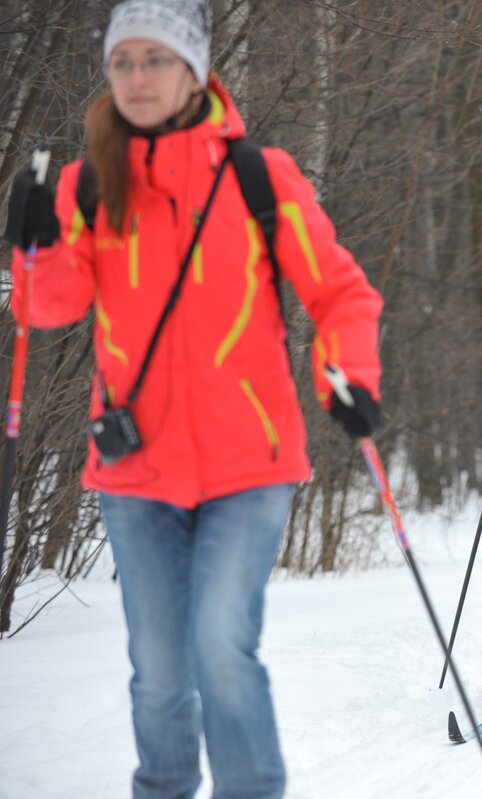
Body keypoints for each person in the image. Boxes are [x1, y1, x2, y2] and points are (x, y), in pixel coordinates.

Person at [3, 2, 384, 796]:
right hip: (135, 470)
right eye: (124, 62)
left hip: (249, 461)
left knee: (219, 646)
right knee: (161, 670)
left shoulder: (257, 175)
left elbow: (340, 292)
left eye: (156, 60)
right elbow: (49, 307)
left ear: (193, 68)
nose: (138, 77)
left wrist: (346, 373)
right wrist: (33, 243)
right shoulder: (87, 183)